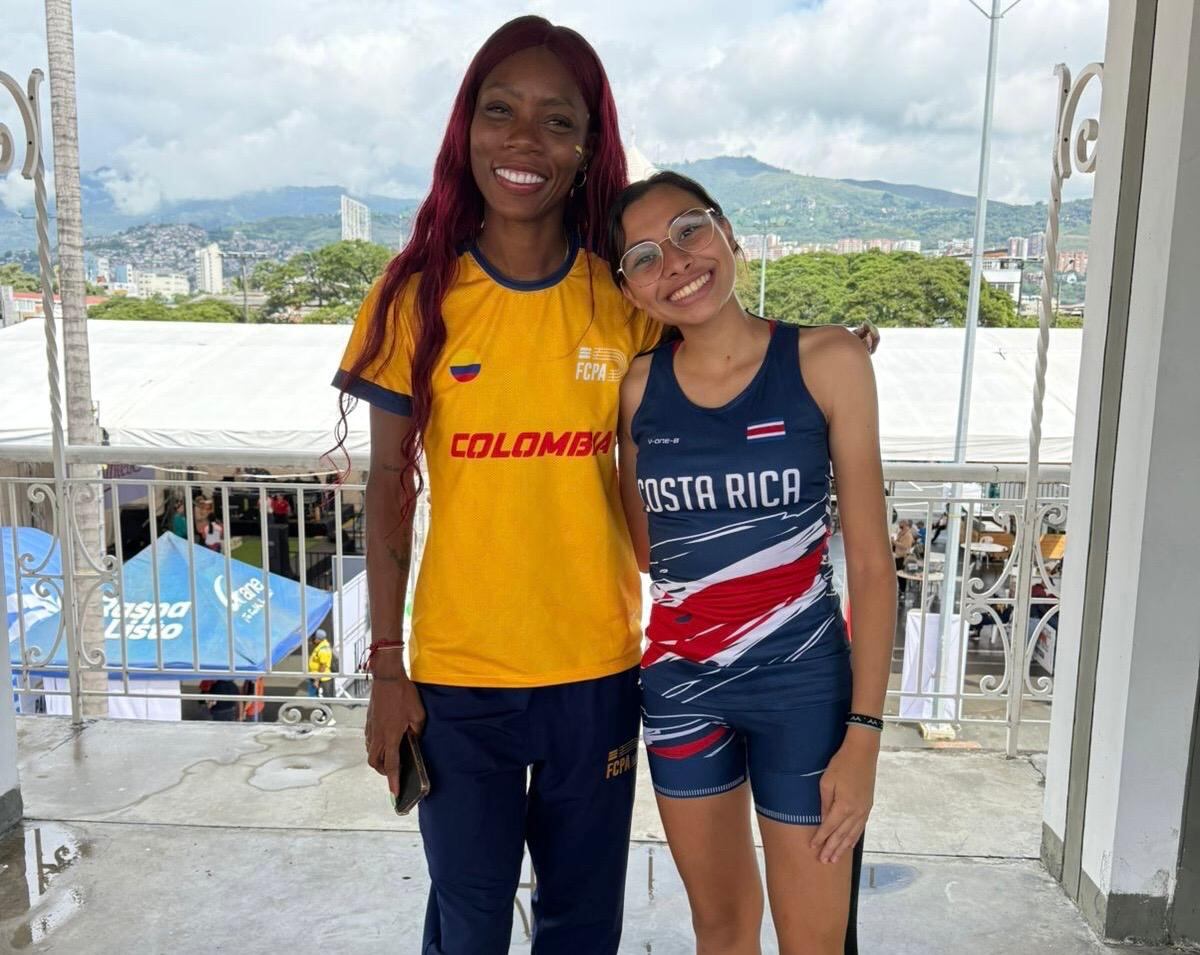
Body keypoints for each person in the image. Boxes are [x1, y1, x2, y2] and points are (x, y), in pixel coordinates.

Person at [332, 17, 879, 953]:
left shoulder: (616, 298)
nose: (524, 139)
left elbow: (714, 340)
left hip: (602, 671)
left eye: (557, 120)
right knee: (467, 922)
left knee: (583, 925)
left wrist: (825, 358)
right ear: (466, 127)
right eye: (500, 111)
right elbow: (389, 482)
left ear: (587, 149)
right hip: (459, 682)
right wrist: (387, 666)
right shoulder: (414, 294)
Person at [609, 172, 894, 954]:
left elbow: (872, 566)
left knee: (812, 940)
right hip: (680, 687)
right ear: (630, 289)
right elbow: (647, 549)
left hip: (803, 688)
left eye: (688, 232)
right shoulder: (637, 390)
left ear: (729, 233)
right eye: (643, 256)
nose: (675, 262)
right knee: (722, 929)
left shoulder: (829, 360)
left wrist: (864, 735)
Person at [307, 631, 335, 699]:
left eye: (314, 638)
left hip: (322, 679)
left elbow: (323, 666)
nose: (313, 639)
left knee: (324, 700)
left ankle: (324, 710)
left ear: (318, 639)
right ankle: (318, 709)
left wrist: (317, 680)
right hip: (316, 677)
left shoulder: (323, 650)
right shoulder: (321, 646)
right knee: (316, 698)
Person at [892, 518, 915, 595]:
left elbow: (905, 546)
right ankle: (900, 589)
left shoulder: (908, 535)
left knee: (901, 575)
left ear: (905, 525)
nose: (899, 526)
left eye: (901, 524)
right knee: (898, 574)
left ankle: (902, 590)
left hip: (902, 557)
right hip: (897, 556)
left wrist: (894, 542)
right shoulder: (901, 533)